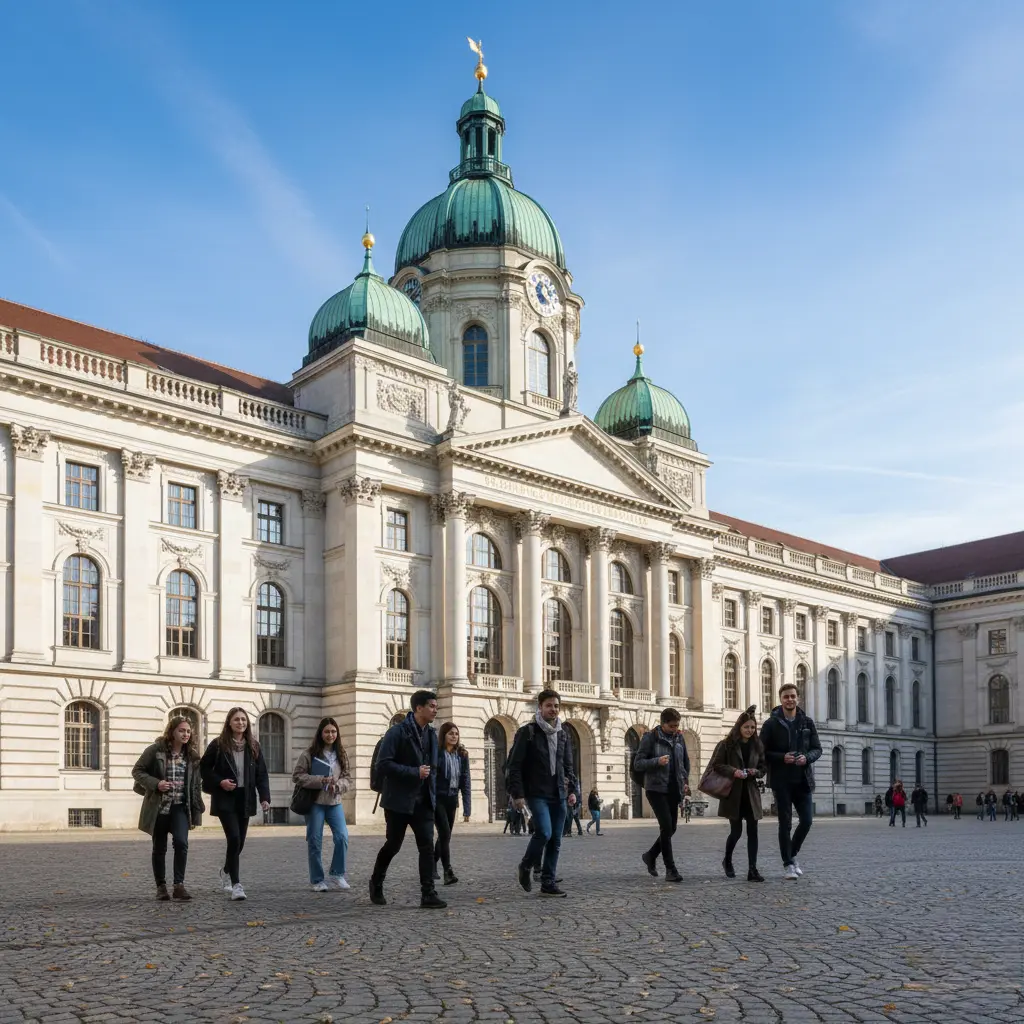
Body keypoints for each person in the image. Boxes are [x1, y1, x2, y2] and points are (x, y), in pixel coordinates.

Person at [369, 690, 445, 909]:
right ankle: (376, 882)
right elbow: (383, 765)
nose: (435, 709)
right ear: (418, 708)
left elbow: (434, 768)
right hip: (398, 801)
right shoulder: (397, 732)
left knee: (427, 847)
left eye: (435, 706)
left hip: (423, 801)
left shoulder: (431, 734)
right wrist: (414, 772)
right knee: (393, 845)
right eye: (431, 706)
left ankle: (428, 893)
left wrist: (434, 794)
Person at [506, 689, 577, 897]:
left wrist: (572, 789)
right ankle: (526, 865)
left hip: (559, 793)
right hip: (537, 793)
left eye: (556, 706)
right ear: (540, 707)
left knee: (556, 839)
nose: (553, 709)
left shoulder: (563, 733)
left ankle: (548, 882)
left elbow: (568, 765)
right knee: (544, 832)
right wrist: (517, 794)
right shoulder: (527, 732)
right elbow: (514, 765)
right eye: (549, 705)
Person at [199, 707, 271, 901]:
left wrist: (264, 797)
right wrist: (219, 782)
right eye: (237, 720)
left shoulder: (253, 746)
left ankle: (226, 870)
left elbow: (261, 774)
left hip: (245, 797)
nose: (241, 723)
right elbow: (204, 768)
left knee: (240, 842)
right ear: (229, 723)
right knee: (234, 838)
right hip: (225, 797)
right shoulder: (218, 744)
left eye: (243, 720)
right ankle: (236, 884)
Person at [132, 715, 205, 901]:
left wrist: (197, 808)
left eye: (188, 731)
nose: (186, 734)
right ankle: (161, 887)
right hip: (159, 807)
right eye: (182, 730)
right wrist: (156, 784)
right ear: (172, 731)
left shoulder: (192, 756)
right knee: (159, 848)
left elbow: (196, 784)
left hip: (180, 807)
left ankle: (179, 885)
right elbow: (137, 770)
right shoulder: (156, 750)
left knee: (181, 843)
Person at [759, 683, 822, 880]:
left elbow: (817, 749)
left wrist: (807, 758)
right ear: (780, 699)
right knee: (784, 823)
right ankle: (788, 864)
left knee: (807, 821)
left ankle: (791, 854)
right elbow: (762, 752)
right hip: (781, 781)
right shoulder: (771, 724)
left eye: (793, 696)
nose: (790, 700)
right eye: (786, 697)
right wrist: (781, 757)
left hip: (803, 780)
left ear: (798, 698)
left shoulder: (807, 722)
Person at [292, 717, 351, 892]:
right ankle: (317, 880)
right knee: (315, 840)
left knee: (342, 837)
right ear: (320, 733)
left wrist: (338, 785)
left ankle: (337, 873)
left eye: (333, 731)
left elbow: (348, 778)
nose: (330, 735)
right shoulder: (308, 754)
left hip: (334, 801)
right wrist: (320, 780)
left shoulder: (341, 754)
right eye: (327, 731)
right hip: (315, 802)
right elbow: (297, 776)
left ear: (337, 733)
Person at [710, 706, 766, 882]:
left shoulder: (758, 745)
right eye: (746, 727)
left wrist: (754, 772)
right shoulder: (727, 744)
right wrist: (733, 771)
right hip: (733, 793)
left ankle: (752, 870)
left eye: (752, 727)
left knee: (753, 832)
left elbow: (763, 768)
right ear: (739, 727)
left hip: (750, 793)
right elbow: (717, 765)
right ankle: (727, 860)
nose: (749, 730)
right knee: (736, 832)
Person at [635, 706, 691, 883]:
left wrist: (685, 781)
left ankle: (650, 855)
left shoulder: (679, 737)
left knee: (672, 828)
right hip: (656, 788)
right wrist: (656, 761)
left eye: (677, 726)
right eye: (672, 726)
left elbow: (685, 762)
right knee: (666, 826)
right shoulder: (650, 738)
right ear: (663, 724)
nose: (675, 729)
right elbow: (638, 763)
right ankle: (671, 869)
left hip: (674, 788)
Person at [433, 722, 471, 886]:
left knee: (444, 836)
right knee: (445, 834)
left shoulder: (461, 754)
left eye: (456, 733)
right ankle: (448, 871)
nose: (454, 736)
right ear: (444, 735)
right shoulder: (437, 753)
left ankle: (431, 865)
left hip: (452, 799)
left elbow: (465, 780)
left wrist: (467, 807)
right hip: (438, 799)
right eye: (450, 733)